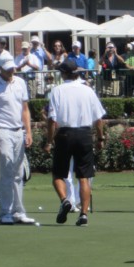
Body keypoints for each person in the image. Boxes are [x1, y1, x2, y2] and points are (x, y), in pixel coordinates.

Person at [44, 58, 106, 227]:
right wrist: (100, 138)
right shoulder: (88, 90)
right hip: (84, 133)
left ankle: (65, 200)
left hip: (64, 133)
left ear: (64, 74)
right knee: (84, 177)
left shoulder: (58, 90)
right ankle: (84, 214)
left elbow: (52, 119)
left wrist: (49, 140)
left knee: (58, 174)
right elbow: (99, 119)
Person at [0, 51, 35, 225]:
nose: (11, 71)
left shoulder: (20, 82)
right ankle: (5, 212)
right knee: (6, 171)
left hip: (18, 130)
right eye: (7, 69)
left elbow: (25, 109)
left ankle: (18, 211)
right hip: (1, 130)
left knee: (19, 172)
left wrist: (28, 131)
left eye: (12, 68)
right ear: (0, 69)